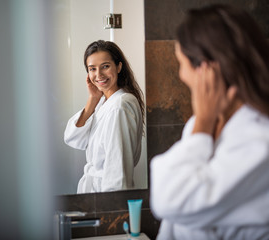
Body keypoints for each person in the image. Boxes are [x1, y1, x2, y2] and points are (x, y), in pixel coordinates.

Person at [150, 4, 269, 240]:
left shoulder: (259, 140)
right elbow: (172, 224)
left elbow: (170, 200)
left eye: (180, 63)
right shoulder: (201, 125)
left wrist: (203, 122)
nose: (181, 75)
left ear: (206, 69)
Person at [64, 40, 144, 194]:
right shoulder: (104, 102)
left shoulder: (119, 106)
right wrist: (92, 100)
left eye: (105, 66)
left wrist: (109, 208)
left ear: (119, 67)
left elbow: (117, 169)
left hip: (105, 194)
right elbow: (73, 139)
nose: (98, 74)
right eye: (92, 69)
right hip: (95, 190)